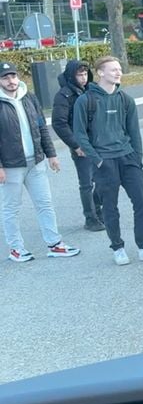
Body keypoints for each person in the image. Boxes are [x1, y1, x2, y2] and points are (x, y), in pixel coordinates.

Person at [72, 56, 143, 265]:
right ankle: (117, 248)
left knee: (142, 203)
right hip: (104, 161)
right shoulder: (85, 100)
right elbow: (80, 134)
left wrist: (137, 158)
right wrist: (97, 160)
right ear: (100, 73)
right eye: (113, 69)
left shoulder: (125, 99)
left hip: (128, 158)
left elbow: (135, 133)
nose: (118, 73)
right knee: (110, 207)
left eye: (119, 69)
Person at [0, 62, 80, 262]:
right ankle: (16, 249)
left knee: (45, 203)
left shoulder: (29, 97)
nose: (11, 81)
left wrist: (51, 154)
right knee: (11, 208)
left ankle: (55, 244)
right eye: (5, 78)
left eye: (13, 76)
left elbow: (41, 127)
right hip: (11, 166)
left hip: (35, 162)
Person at [51, 60, 103, 231]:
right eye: (79, 75)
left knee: (104, 179)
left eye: (85, 74)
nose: (83, 78)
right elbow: (59, 123)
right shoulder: (63, 95)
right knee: (87, 183)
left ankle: (98, 210)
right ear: (71, 76)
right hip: (80, 145)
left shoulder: (92, 89)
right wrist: (75, 145)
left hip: (99, 141)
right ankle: (91, 218)